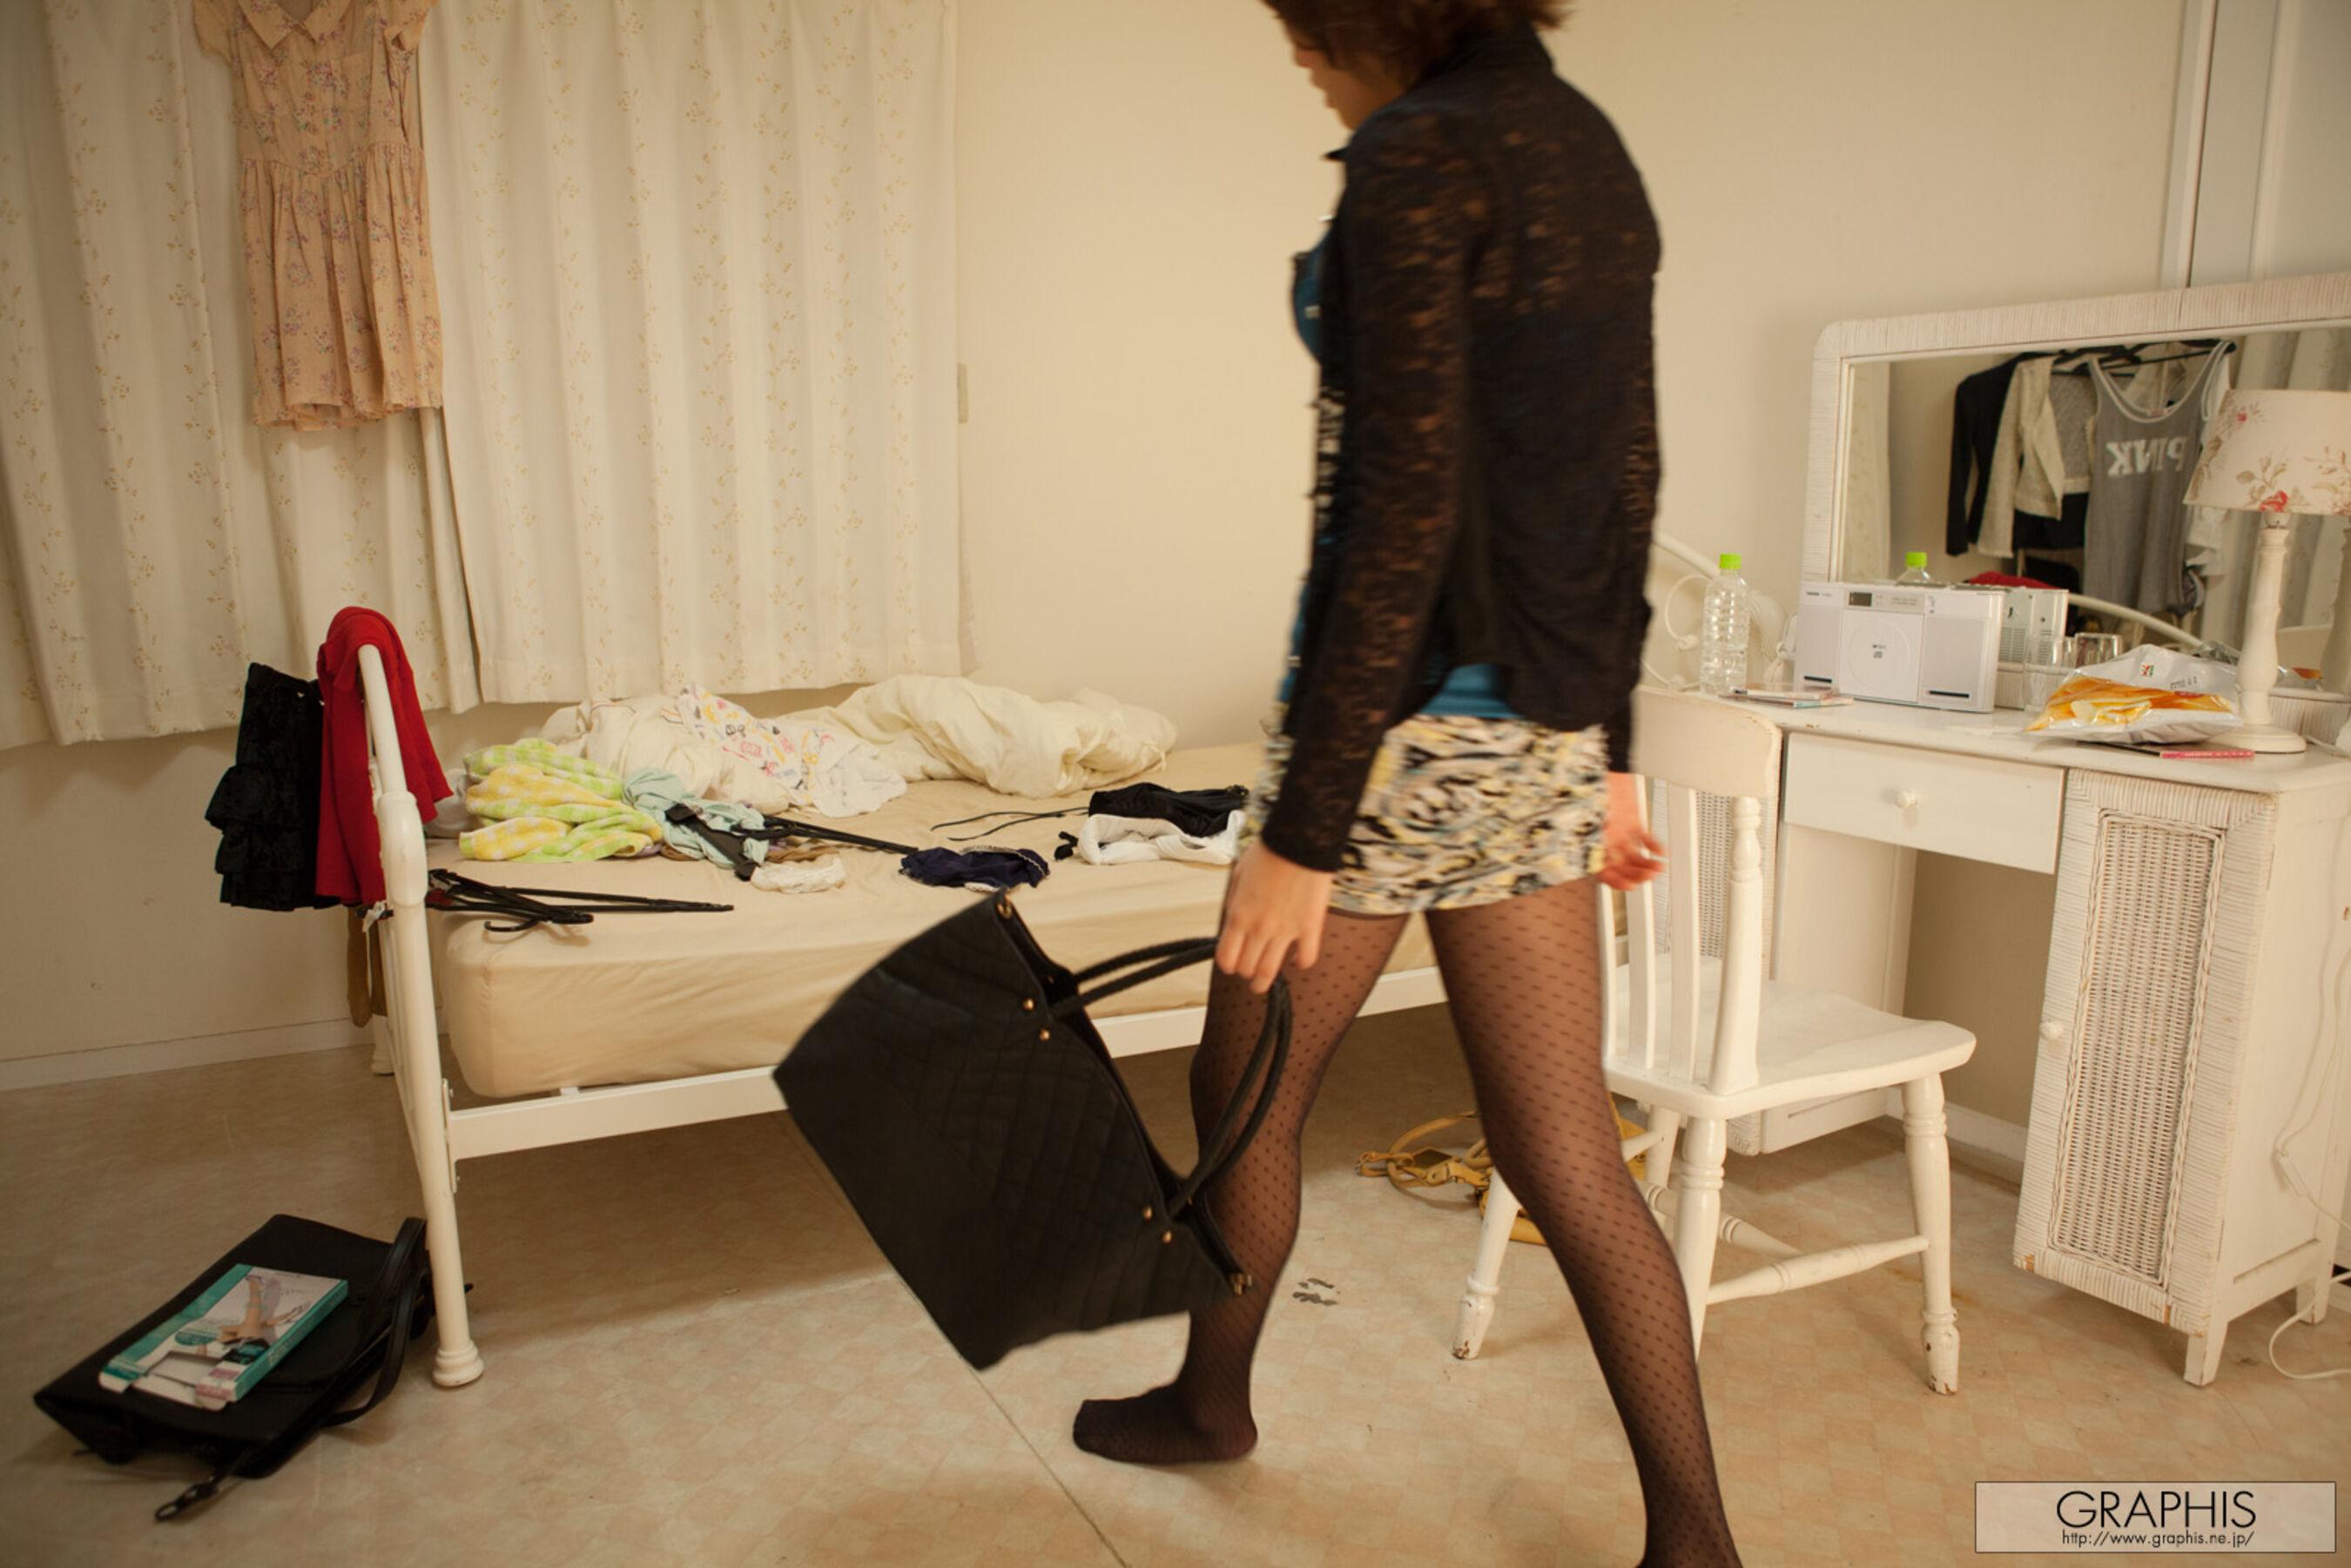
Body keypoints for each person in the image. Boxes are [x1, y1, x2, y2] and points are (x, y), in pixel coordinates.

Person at [1073, 3, 1743, 1563]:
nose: (1298, 55)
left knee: (1247, 1092)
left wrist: (1305, 830)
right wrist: (1607, 747)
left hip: (1390, 736)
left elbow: (1397, 506)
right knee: (1563, 1144)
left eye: (1305, 27)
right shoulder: (1584, 146)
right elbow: (1625, 476)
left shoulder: (1419, 153)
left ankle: (1211, 1404)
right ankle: (1696, 1538)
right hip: (1535, 730)